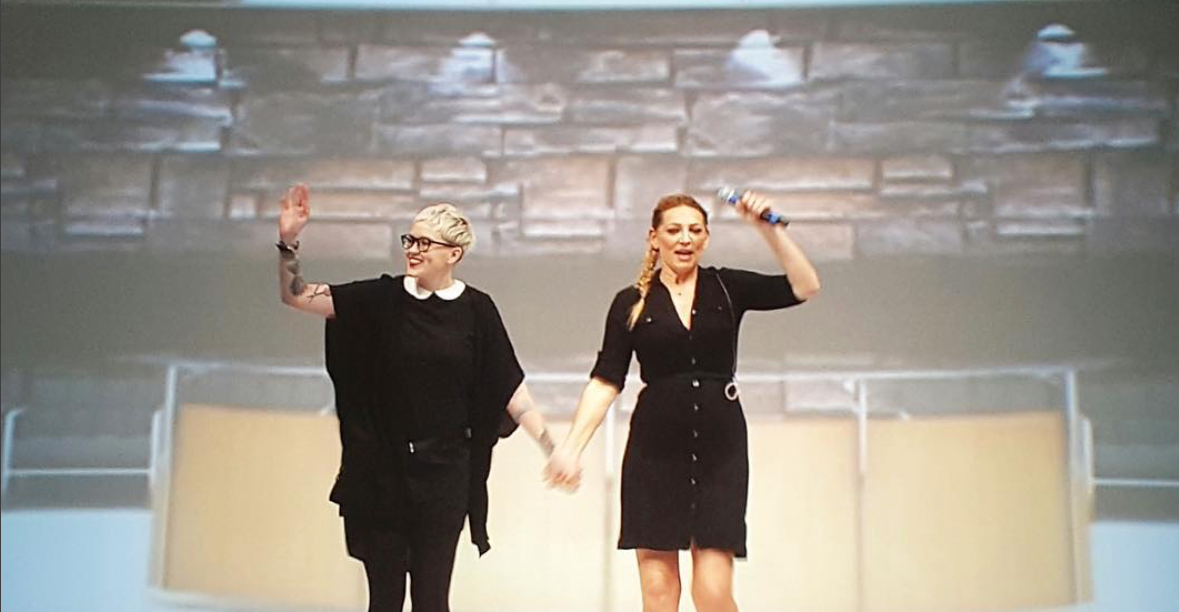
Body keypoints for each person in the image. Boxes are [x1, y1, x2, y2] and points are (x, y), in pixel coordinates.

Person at [275, 184, 554, 612]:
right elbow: (296, 295)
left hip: (444, 476)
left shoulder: (477, 309)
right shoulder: (380, 299)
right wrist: (288, 241)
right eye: (410, 239)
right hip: (383, 474)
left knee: (432, 599)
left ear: (454, 253)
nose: (413, 249)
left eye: (425, 243)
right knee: (384, 600)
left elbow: (509, 387)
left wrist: (550, 446)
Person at [544, 192, 820, 612]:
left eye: (695, 230)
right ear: (654, 238)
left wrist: (768, 229)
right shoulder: (631, 301)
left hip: (720, 452)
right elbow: (606, 380)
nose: (684, 239)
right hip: (654, 453)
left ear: (706, 238)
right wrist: (571, 448)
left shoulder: (727, 286)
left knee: (711, 591)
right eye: (674, 230)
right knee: (659, 592)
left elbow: (805, 286)